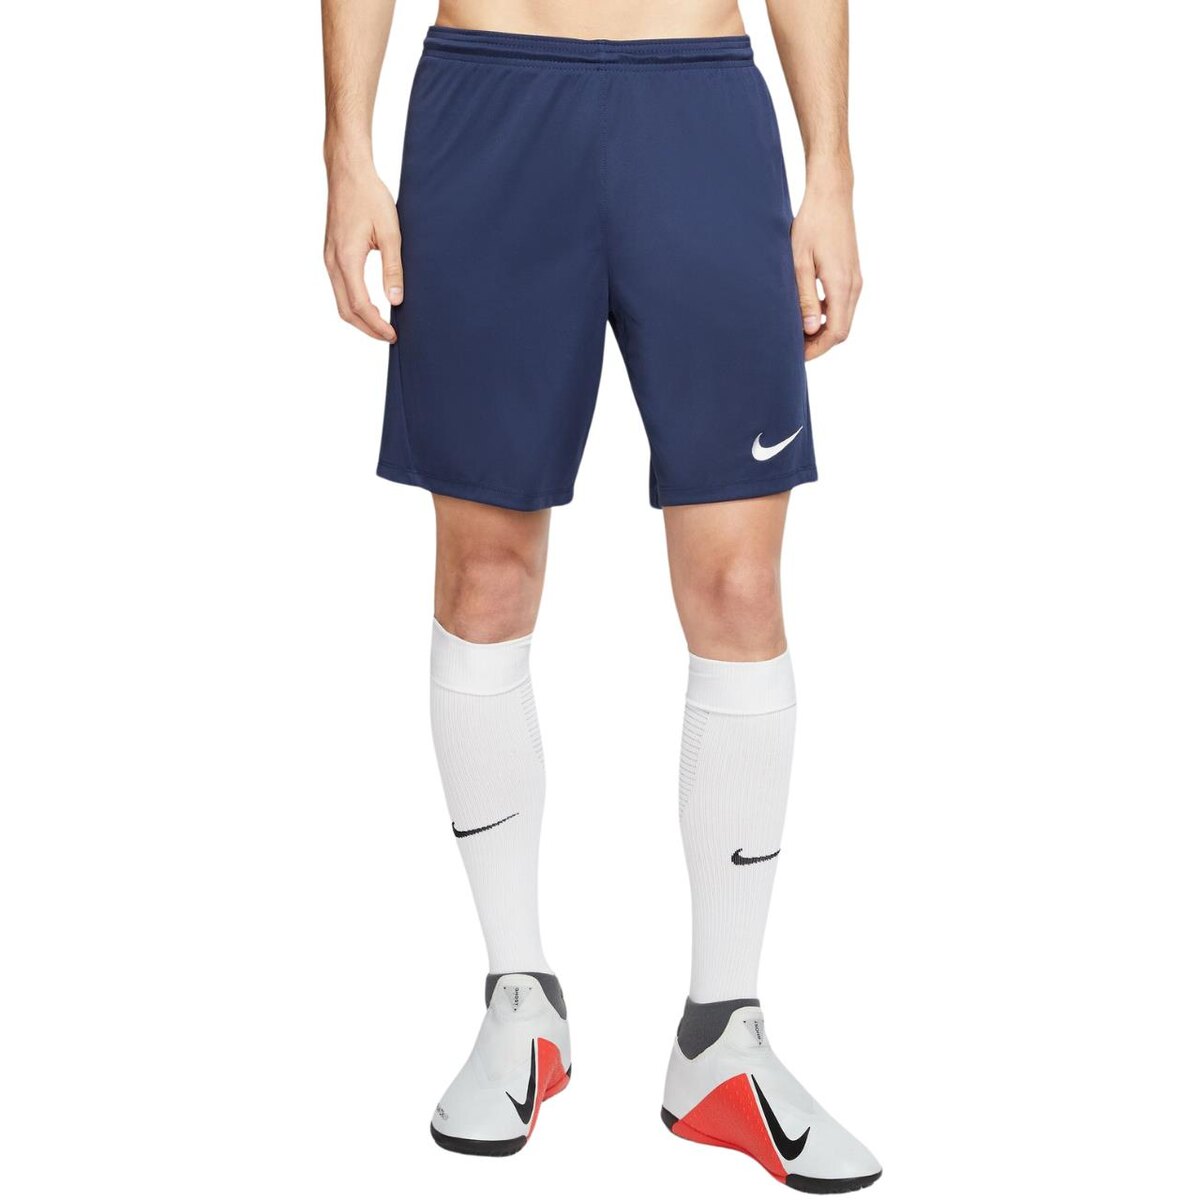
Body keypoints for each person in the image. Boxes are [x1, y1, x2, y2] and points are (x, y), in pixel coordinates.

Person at [322, 0, 878, 1191]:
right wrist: (346, 150)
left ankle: (721, 1040)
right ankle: (518, 999)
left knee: (738, 584)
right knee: (486, 573)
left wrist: (830, 171)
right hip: (490, 93)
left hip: (700, 103)